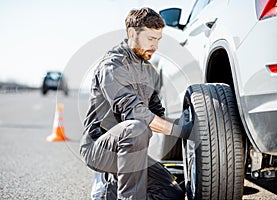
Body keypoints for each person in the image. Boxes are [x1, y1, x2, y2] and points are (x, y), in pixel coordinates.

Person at [80, 7, 193, 200]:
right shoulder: (112, 66)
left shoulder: (149, 72)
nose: (155, 46)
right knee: (137, 127)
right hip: (100, 148)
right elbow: (136, 113)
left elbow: (158, 115)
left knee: (171, 193)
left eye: (158, 40)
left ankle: (112, 193)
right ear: (132, 33)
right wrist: (180, 131)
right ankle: (114, 188)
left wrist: (191, 125)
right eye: (150, 39)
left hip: (131, 151)